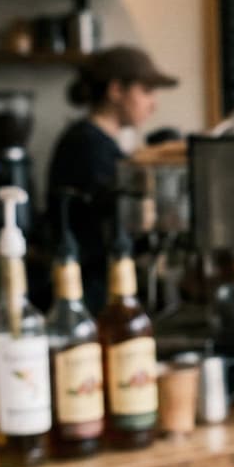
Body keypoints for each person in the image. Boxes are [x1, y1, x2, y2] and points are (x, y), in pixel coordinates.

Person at [46, 44, 179, 309]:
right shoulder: (86, 145)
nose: (153, 104)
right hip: (88, 290)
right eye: (146, 91)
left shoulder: (100, 144)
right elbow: (112, 221)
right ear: (116, 90)